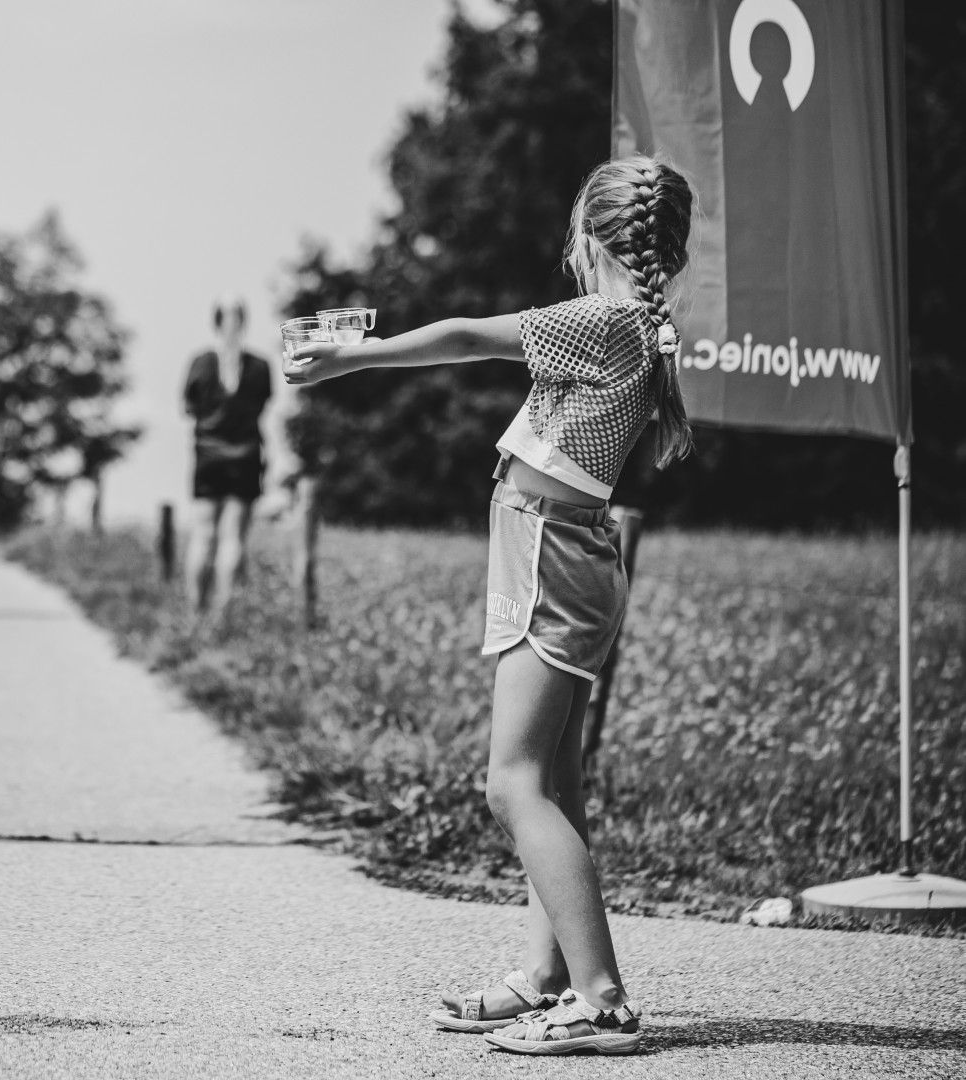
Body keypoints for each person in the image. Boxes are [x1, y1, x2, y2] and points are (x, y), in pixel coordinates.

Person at [286, 156, 694, 1056]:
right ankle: (549, 977)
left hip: (550, 554)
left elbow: (469, 334)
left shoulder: (601, 320)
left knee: (510, 783)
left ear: (587, 237)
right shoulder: (638, 326)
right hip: (563, 551)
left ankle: (602, 1001)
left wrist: (355, 357)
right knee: (555, 784)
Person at [182, 298, 272, 618]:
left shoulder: (200, 363)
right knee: (233, 537)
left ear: (215, 322)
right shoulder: (260, 366)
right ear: (243, 322)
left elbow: (189, 408)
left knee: (203, 534)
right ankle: (223, 613)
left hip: (208, 456)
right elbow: (262, 406)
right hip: (245, 456)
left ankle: (195, 612)